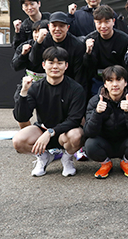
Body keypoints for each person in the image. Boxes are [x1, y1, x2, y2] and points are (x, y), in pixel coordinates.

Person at [12, 47, 86, 177]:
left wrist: (51, 132)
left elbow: (74, 119)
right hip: (43, 129)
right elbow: (21, 117)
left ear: (66, 66)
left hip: (66, 133)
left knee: (77, 135)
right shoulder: (35, 87)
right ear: (43, 65)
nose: (55, 67)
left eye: (59, 63)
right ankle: (44, 157)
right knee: (18, 141)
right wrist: (23, 93)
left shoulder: (76, 89)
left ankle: (67, 159)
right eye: (51, 63)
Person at [83, 65, 128, 179]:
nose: (115, 84)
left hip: (126, 142)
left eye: (118, 80)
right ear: (105, 84)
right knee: (90, 145)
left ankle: (126, 162)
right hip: (105, 143)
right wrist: (97, 113)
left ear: (125, 82)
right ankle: (105, 163)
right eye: (110, 80)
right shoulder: (95, 101)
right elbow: (89, 132)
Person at [29, 12, 88, 90]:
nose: (57, 29)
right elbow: (34, 61)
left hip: (70, 84)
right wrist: (38, 42)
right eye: (54, 25)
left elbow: (79, 74)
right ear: (49, 27)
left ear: (68, 27)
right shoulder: (43, 41)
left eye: (61, 26)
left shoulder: (77, 45)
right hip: (47, 82)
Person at [84, 5, 128, 95]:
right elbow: (88, 66)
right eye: (99, 22)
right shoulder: (90, 40)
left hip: (118, 80)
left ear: (113, 21)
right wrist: (88, 52)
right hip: (98, 80)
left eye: (107, 22)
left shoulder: (124, 40)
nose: (103, 26)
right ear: (94, 23)